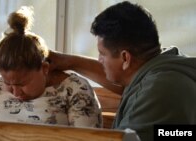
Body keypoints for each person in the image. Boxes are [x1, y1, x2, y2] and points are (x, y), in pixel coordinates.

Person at [48, 1, 196, 141]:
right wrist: (68, 62)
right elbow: (126, 82)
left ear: (125, 58)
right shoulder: (167, 67)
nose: (99, 60)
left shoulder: (158, 90)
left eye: (102, 54)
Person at [0, 6, 102, 128]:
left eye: (21, 84)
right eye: (8, 83)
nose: (15, 93)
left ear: (44, 68)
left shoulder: (75, 91)